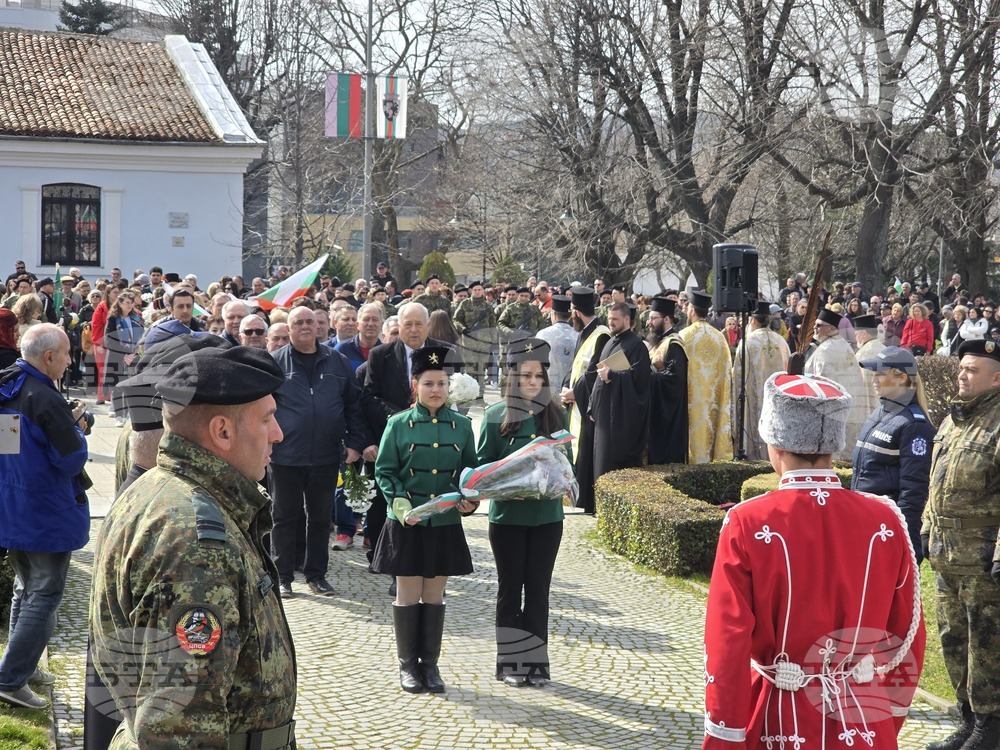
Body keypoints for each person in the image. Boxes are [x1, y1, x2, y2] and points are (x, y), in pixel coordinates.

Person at [702, 369, 925, 750]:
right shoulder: (886, 518)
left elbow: (727, 643)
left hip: (777, 718)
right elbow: (908, 639)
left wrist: (725, 736)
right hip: (864, 721)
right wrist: (887, 717)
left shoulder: (746, 521)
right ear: (835, 447)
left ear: (775, 446)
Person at [89, 347, 296, 749]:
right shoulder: (196, 543)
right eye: (267, 419)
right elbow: (178, 728)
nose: (278, 433)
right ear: (222, 431)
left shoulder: (156, 488)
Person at [372, 346, 479, 694]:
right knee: (408, 594)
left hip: (445, 523)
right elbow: (385, 471)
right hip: (408, 522)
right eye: (429, 383)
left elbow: (469, 475)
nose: (436, 390)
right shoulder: (397, 423)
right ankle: (407, 667)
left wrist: (469, 502)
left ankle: (430, 666)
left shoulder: (462, 425)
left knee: (434, 595)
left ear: (450, 387)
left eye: (442, 383)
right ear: (415, 384)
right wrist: (402, 507)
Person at [0, 325, 90, 709]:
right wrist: (79, 429)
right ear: (48, 356)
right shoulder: (43, 396)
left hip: (15, 506)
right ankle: (10, 678)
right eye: (67, 354)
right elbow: (71, 458)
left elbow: (9, 446)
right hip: (45, 511)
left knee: (26, 587)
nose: (71, 360)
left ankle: (24, 663)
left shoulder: (11, 384)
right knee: (44, 594)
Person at [921, 338, 1000, 750]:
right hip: (946, 555)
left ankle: (990, 730)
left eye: (972, 370)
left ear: (996, 377)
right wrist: (924, 527)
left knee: (987, 646)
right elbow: (935, 483)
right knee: (953, 640)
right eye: (961, 368)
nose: (962, 375)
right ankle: (968, 720)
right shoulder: (953, 419)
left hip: (983, 560)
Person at [479, 338, 566, 687]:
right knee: (510, 589)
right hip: (508, 520)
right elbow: (483, 468)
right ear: (513, 378)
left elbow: (566, 465)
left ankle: (536, 665)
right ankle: (511, 664)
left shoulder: (555, 414)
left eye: (538, 376)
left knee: (539, 591)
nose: (532, 382)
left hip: (547, 519)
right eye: (525, 376)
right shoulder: (494, 417)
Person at [269, 306, 367, 598]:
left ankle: (317, 575)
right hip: (285, 456)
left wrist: (354, 442)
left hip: (326, 455)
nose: (305, 327)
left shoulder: (337, 362)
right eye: (298, 322)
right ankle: (283, 576)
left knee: (321, 518)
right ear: (288, 329)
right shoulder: (275, 363)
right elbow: (264, 410)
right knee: (284, 517)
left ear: (320, 326)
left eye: (310, 321)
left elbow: (353, 405)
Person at [852, 346, 935, 563]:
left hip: (887, 532)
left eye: (880, 373)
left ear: (901, 378)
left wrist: (902, 542)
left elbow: (913, 491)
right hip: (866, 525)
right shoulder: (879, 413)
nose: (874, 380)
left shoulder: (915, 425)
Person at [560, 287, 610, 514]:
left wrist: (574, 392)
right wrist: (565, 386)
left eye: (571, 311)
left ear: (576, 312)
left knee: (587, 452)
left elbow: (594, 373)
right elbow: (576, 367)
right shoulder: (585, 332)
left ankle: (586, 501)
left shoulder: (601, 334)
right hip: (577, 404)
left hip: (590, 409)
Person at [590, 303, 651, 482]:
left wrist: (612, 374)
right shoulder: (610, 341)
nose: (611, 323)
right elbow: (598, 377)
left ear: (626, 319)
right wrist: (591, 406)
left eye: (615, 320)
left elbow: (639, 380)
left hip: (620, 421)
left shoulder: (636, 346)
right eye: (609, 319)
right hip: (603, 416)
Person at [805, 308, 867, 461]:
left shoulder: (825, 350)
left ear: (831, 328)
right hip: (849, 411)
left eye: (819, 325)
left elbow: (818, 387)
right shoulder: (843, 345)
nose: (815, 328)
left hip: (830, 414)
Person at [731, 301, 790, 460]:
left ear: (753, 320)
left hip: (753, 399)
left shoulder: (747, 341)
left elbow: (737, 376)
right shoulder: (781, 342)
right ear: (769, 320)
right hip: (777, 401)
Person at [679, 291, 733, 463]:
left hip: (690, 403)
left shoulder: (683, 336)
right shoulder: (720, 337)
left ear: (692, 311)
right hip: (714, 403)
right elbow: (727, 373)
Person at [647, 296, 688, 463]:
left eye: (653, 318)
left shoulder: (674, 343)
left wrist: (649, 375)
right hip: (656, 409)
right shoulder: (659, 342)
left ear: (666, 319)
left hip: (668, 415)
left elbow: (674, 380)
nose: (649, 322)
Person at [452, 280, 497, 399]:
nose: (477, 292)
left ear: (483, 291)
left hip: (484, 342)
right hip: (469, 341)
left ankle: (480, 395)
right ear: (471, 291)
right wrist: (463, 329)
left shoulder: (488, 306)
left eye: (479, 290)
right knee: (470, 368)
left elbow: (493, 324)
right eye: (475, 290)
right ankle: (469, 394)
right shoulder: (465, 304)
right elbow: (456, 319)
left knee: (481, 368)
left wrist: (493, 340)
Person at [535, 294, 576, 391]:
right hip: (570, 390)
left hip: (546, 389)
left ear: (553, 314)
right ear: (570, 316)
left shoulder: (543, 334)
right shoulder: (578, 335)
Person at [854, 314, 886, 416]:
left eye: (856, 334)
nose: (856, 338)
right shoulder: (885, 349)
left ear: (864, 334)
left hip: (868, 408)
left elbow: (859, 384)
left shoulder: (862, 354)